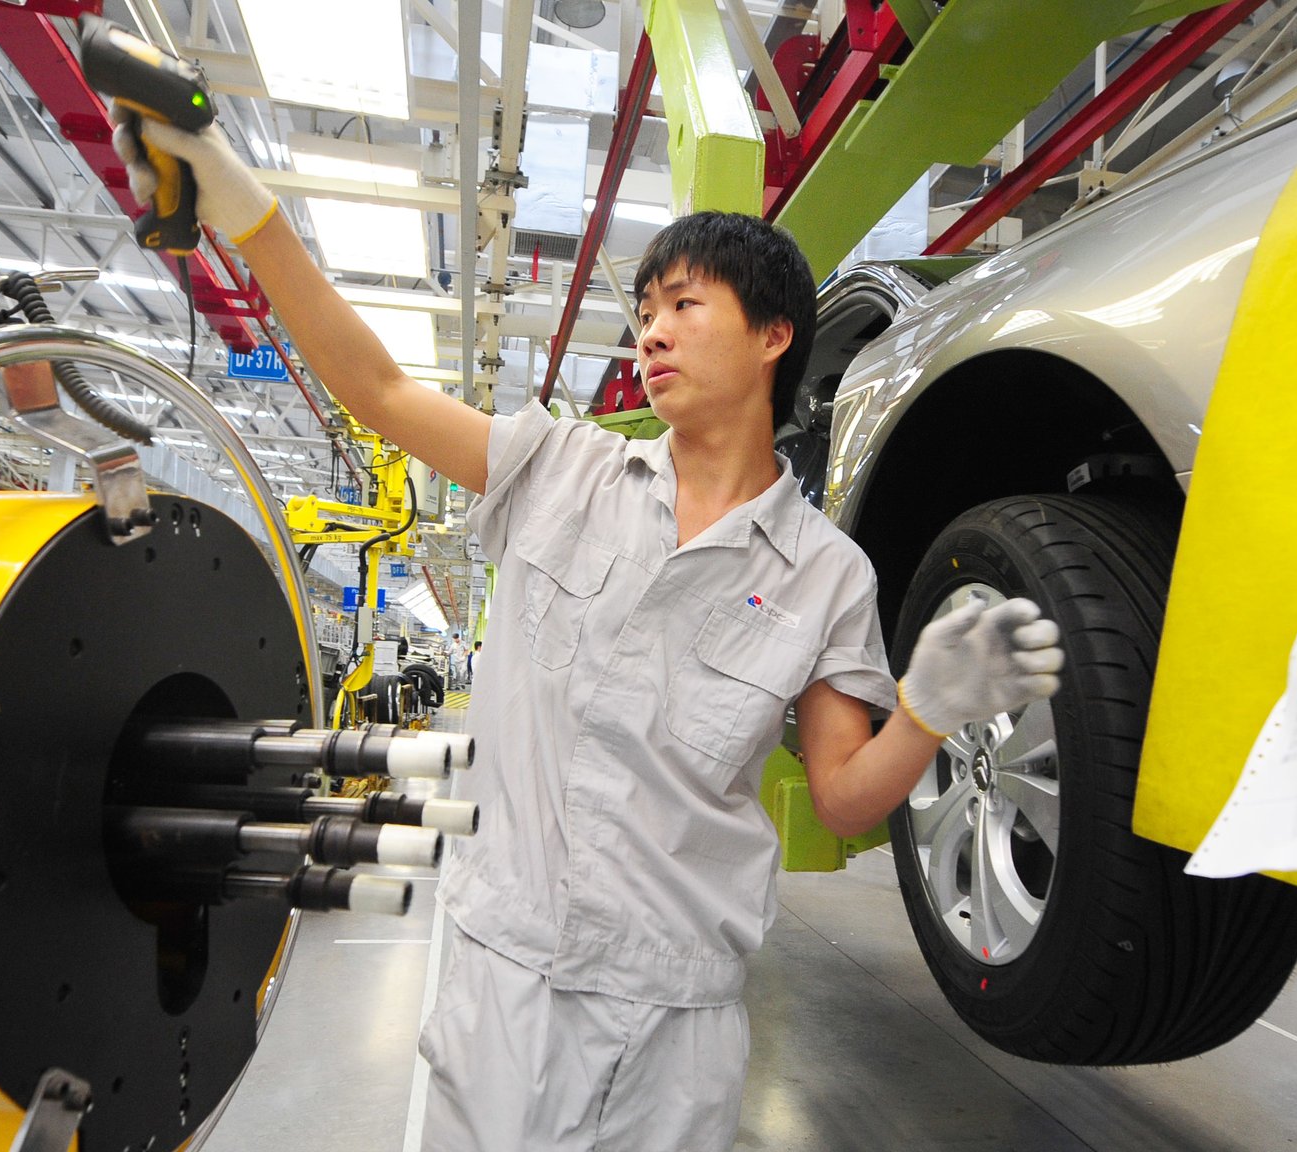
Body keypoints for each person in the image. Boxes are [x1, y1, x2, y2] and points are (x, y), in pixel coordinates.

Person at [115, 112, 1063, 1152]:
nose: (648, 330)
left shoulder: (825, 576)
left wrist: (925, 713)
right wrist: (241, 206)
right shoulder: (560, 471)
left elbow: (840, 801)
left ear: (770, 336)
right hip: (503, 981)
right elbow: (378, 390)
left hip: (672, 1025)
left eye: (683, 305)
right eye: (644, 309)